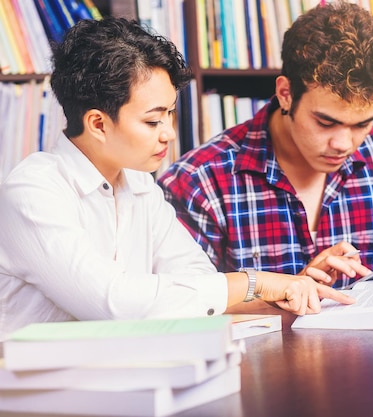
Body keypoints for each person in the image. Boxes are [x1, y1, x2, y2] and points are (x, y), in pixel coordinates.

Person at [0, 17, 354, 341]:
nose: (169, 133)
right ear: (97, 124)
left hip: (126, 380)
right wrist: (256, 281)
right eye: (153, 121)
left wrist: (294, 290)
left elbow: (199, 289)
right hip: (39, 398)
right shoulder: (33, 192)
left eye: (170, 113)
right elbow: (115, 304)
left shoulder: (139, 185)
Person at [158, 1, 373, 289]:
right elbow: (180, 299)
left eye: (362, 124)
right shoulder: (200, 180)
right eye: (326, 122)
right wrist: (288, 291)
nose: (344, 144)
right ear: (285, 94)